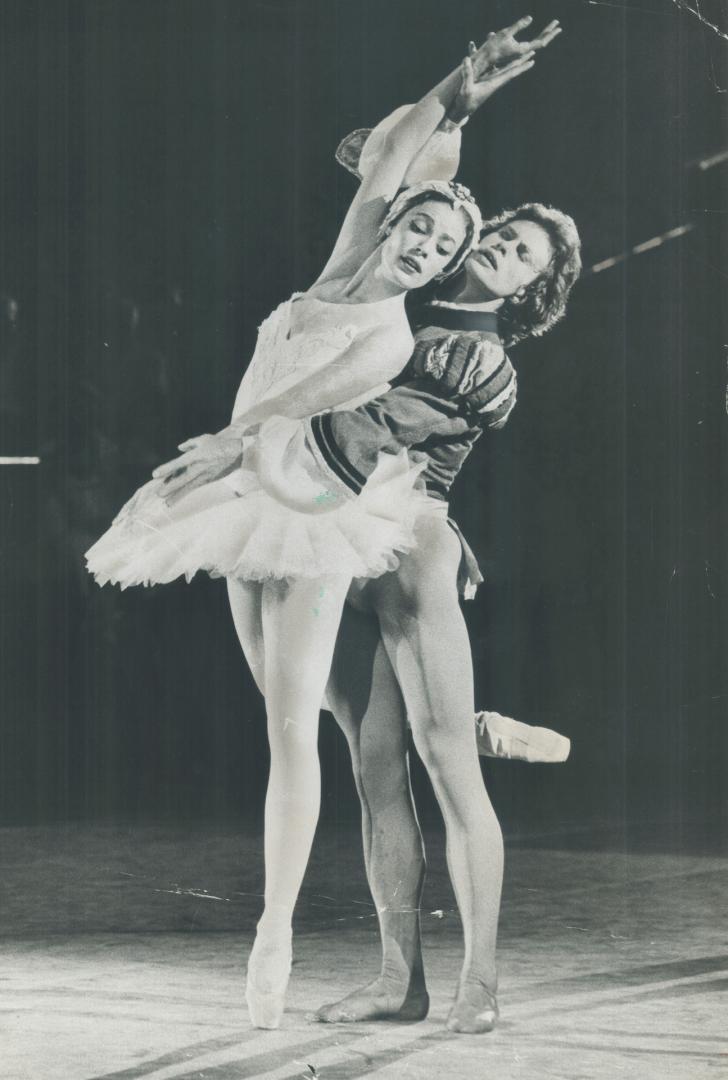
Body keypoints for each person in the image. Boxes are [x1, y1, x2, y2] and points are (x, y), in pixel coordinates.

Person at [86, 22, 542, 1032]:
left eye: (509, 257)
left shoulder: (458, 352)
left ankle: (476, 986)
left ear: (523, 291)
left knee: (430, 754)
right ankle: (396, 977)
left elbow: (339, 416)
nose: (485, 253)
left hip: (380, 529)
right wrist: (461, 90)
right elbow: (406, 168)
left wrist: (233, 445)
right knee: (359, 749)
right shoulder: (397, 248)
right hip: (301, 487)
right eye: (496, 236)